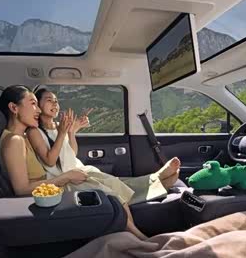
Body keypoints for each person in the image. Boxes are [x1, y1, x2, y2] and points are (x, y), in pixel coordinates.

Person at [26, 87, 181, 238]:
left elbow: (71, 153)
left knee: (115, 182)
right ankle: (137, 234)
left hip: (77, 169)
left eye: (56, 100)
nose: (55, 103)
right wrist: (62, 134)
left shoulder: (59, 126)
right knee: (113, 194)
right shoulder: (35, 132)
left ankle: (157, 180)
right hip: (65, 179)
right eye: (49, 100)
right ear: (38, 106)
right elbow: (50, 160)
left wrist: (71, 132)